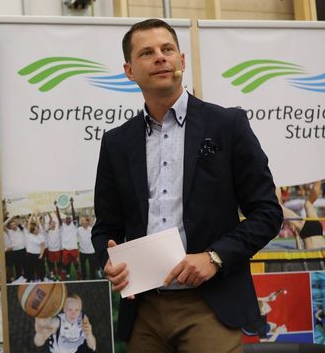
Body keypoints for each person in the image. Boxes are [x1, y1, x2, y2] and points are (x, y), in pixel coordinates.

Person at [92, 18, 282, 352]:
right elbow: (106, 227)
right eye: (147, 53)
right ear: (129, 71)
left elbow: (267, 213)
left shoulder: (227, 124)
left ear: (181, 60)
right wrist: (108, 262)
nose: (160, 57)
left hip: (211, 306)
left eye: (167, 49)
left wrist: (215, 257)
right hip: (144, 312)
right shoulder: (116, 142)